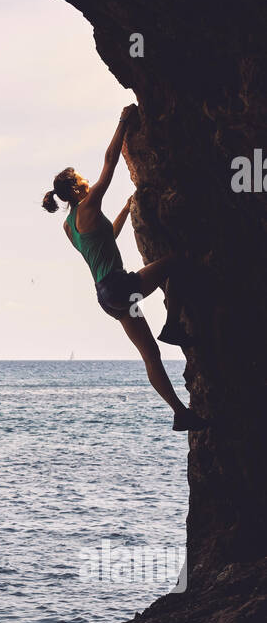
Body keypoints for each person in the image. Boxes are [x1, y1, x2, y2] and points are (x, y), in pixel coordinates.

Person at [42, 104, 206, 431]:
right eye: (81, 178)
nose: (87, 179)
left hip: (107, 298)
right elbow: (109, 163)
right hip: (119, 285)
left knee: (151, 356)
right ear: (76, 188)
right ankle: (173, 323)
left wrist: (126, 207)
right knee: (177, 260)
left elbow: (107, 238)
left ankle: (180, 412)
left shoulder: (70, 226)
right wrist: (122, 124)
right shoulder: (88, 202)